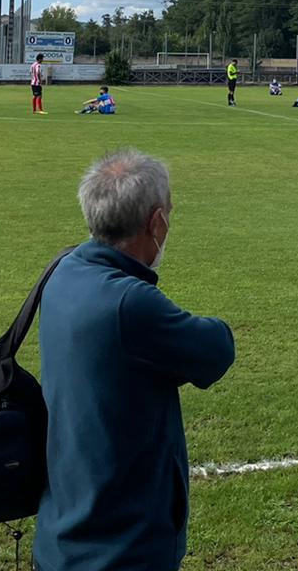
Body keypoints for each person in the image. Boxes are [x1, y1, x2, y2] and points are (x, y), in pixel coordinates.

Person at [34, 149, 235, 571]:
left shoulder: (65, 271)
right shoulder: (129, 303)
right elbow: (215, 351)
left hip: (64, 531)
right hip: (119, 548)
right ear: (155, 222)